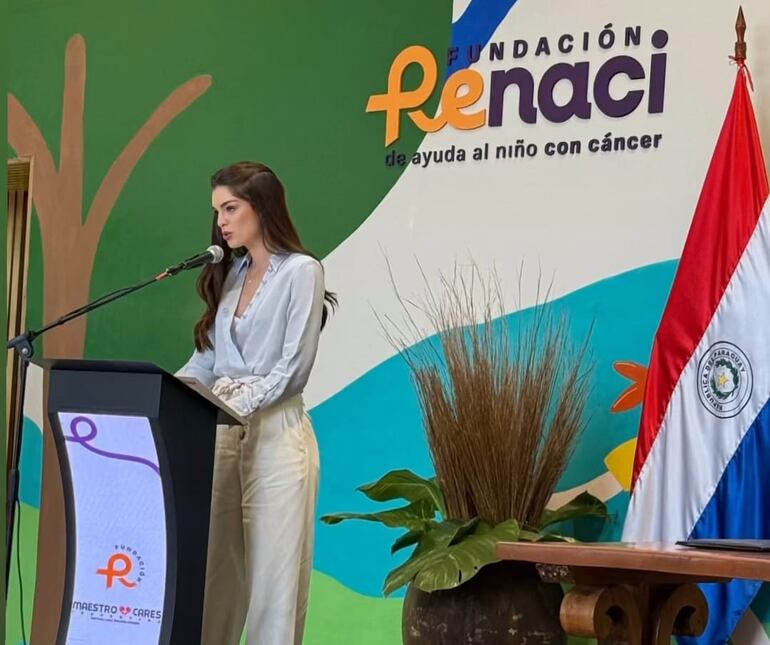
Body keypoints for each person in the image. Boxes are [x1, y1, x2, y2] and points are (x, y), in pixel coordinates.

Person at [176, 161, 336, 645]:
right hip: (223, 440)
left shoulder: (302, 271)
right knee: (213, 583)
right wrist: (167, 395)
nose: (221, 222)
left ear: (261, 207)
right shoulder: (230, 273)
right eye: (217, 211)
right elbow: (207, 362)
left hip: (277, 441)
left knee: (275, 590)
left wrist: (232, 402)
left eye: (230, 208)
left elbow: (293, 370)